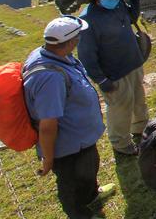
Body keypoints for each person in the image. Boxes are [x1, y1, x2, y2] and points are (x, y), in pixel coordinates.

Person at [24, 16, 114, 219]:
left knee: (88, 169)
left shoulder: (54, 55)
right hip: (67, 148)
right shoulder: (49, 78)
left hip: (81, 139)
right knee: (71, 186)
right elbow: (48, 125)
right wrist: (48, 159)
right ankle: (81, 215)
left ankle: (92, 197)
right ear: (72, 41)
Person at [77, 0, 148, 156]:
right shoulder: (87, 21)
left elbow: (131, 17)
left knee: (138, 100)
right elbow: (86, 54)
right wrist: (100, 79)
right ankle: (121, 144)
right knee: (120, 108)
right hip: (114, 72)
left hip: (133, 62)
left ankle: (141, 129)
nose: (114, 0)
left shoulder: (117, 5)